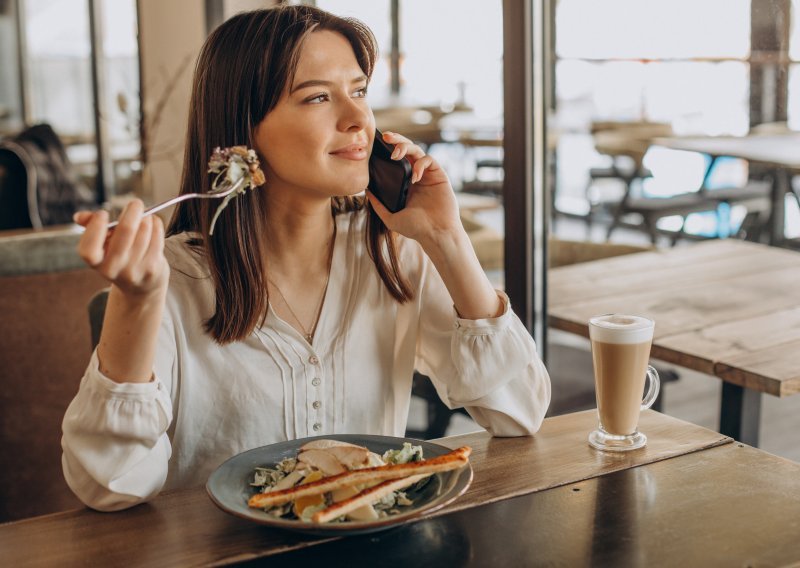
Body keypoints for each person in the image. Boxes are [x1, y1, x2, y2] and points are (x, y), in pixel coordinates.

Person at [62, 4, 551, 512]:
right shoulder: (173, 280)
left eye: (359, 91)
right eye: (318, 97)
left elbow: (520, 412)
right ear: (242, 132)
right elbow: (110, 486)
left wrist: (447, 238)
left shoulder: (393, 252)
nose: (358, 118)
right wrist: (137, 299)